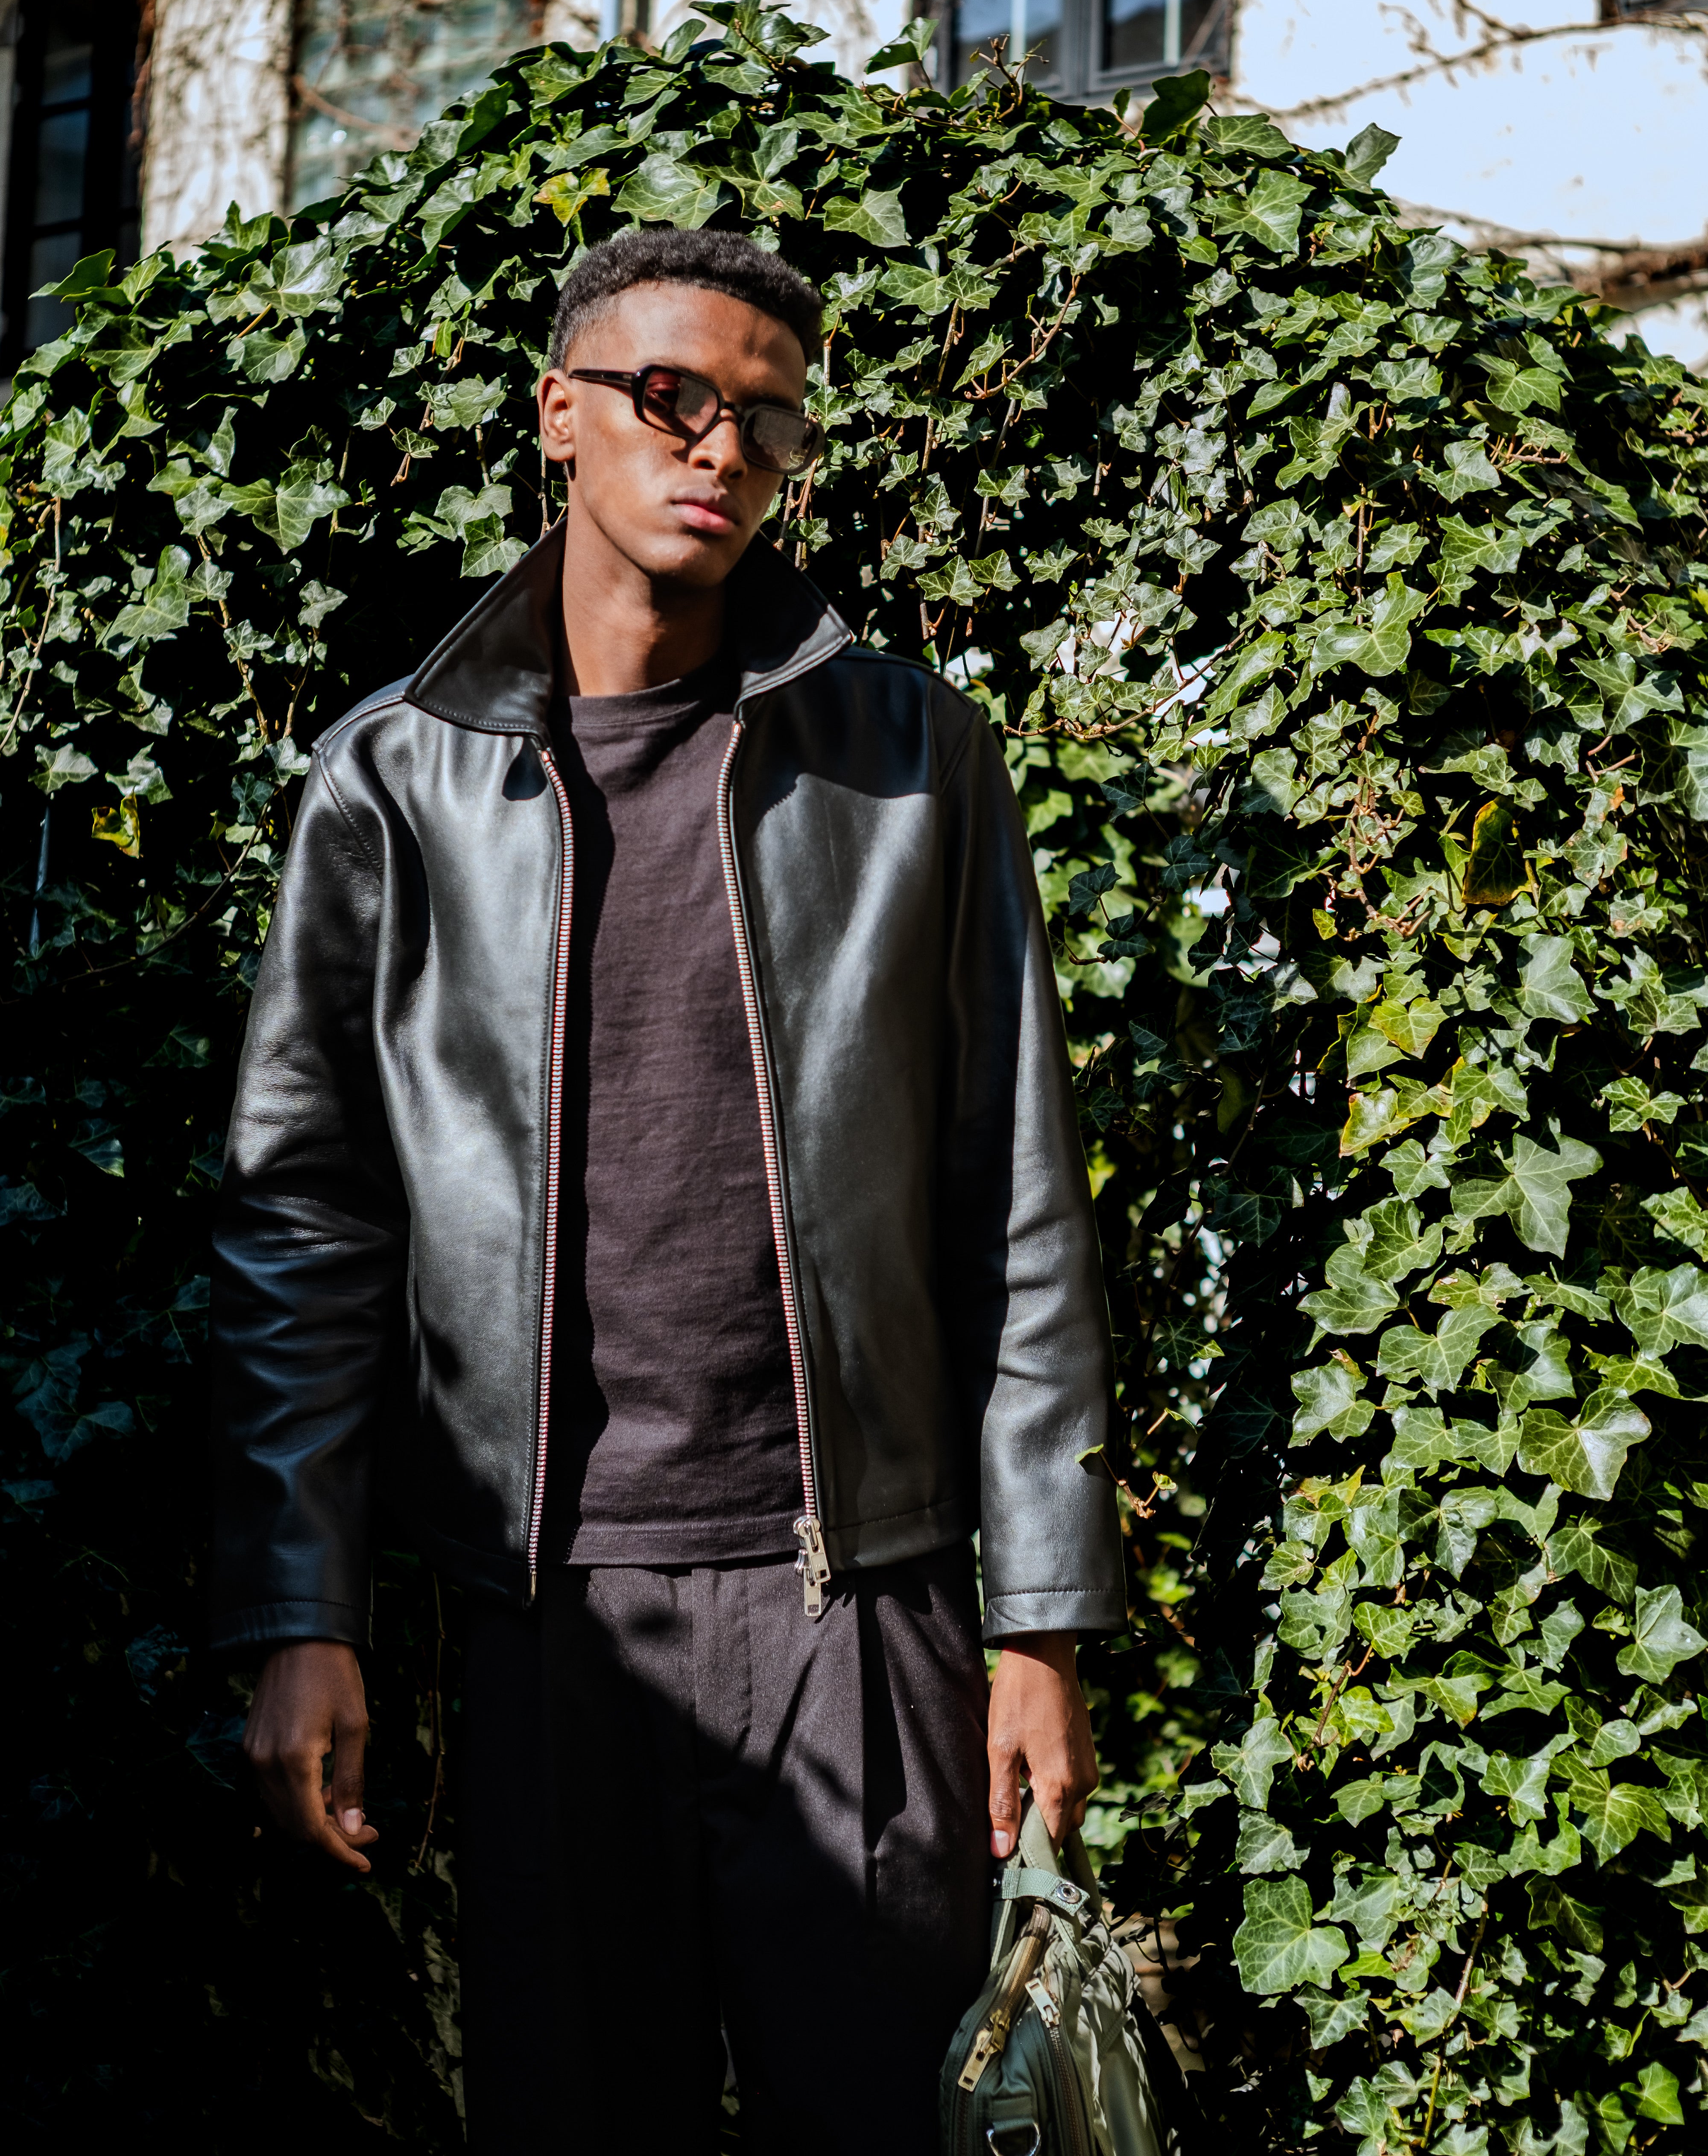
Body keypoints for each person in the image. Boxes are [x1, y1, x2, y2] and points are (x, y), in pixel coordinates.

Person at [210, 226, 1126, 2150]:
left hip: (853, 1608)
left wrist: (1038, 1625)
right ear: (561, 415)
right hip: (545, 1620)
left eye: (766, 420)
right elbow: (304, 1228)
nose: (720, 448)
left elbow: (1014, 1202)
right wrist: (303, 1603)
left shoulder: (912, 760)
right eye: (672, 398)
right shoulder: (390, 787)